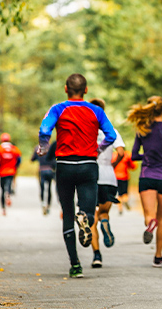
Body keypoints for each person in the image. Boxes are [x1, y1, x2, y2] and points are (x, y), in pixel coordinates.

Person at [37, 73, 117, 278]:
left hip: (64, 166)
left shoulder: (58, 108)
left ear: (66, 89)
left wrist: (44, 146)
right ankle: (85, 218)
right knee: (88, 210)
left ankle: (75, 264)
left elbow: (45, 128)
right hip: (89, 166)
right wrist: (99, 150)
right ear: (86, 90)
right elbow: (111, 136)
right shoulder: (96, 110)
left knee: (67, 212)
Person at [127, 96, 162, 268]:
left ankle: (150, 224)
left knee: (149, 216)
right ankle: (158, 256)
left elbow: (134, 155)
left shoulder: (142, 129)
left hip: (147, 176)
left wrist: (147, 156)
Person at [89, 98, 125, 269]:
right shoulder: (112, 130)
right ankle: (105, 221)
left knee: (91, 218)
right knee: (103, 212)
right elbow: (121, 152)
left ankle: (97, 255)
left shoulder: (86, 130)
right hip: (109, 177)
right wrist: (112, 165)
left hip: (90, 176)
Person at [0, 133, 22, 215]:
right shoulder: (14, 149)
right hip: (11, 171)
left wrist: (0, 164)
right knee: (9, 185)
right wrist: (15, 166)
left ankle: (3, 209)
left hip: (2, 172)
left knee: (2, 190)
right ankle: (8, 194)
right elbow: (19, 159)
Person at [31, 141, 56, 215]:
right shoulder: (51, 148)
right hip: (50, 170)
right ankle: (48, 205)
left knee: (42, 188)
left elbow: (32, 159)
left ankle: (43, 203)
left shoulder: (37, 149)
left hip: (41, 170)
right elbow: (54, 159)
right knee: (49, 188)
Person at [112, 149, 136, 214]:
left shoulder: (113, 155)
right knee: (125, 193)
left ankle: (120, 208)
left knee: (119, 194)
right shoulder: (127, 155)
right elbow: (132, 166)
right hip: (124, 177)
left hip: (115, 177)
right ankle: (125, 200)